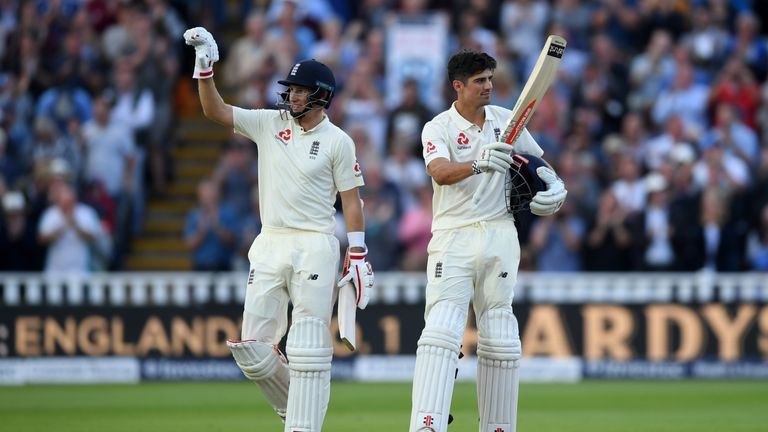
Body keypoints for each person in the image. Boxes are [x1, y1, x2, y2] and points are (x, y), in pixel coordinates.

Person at [183, 27, 374, 432]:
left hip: (316, 244)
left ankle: (303, 425)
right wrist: (205, 67)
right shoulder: (270, 124)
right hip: (269, 242)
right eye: (291, 90)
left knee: (307, 345)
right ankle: (298, 411)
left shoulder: (338, 141)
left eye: (301, 91)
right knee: (251, 350)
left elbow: (352, 201)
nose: (292, 96)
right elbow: (215, 111)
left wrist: (357, 252)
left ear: (321, 95)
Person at [409, 50, 567, 432]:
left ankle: (498, 426)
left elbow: (535, 162)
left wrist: (556, 185)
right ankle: (428, 423)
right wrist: (478, 163)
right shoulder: (438, 126)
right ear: (458, 86)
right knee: (442, 330)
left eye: (490, 79)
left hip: (500, 231)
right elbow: (440, 172)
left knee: (500, 334)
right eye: (480, 81)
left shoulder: (506, 119)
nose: (489, 87)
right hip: (454, 234)